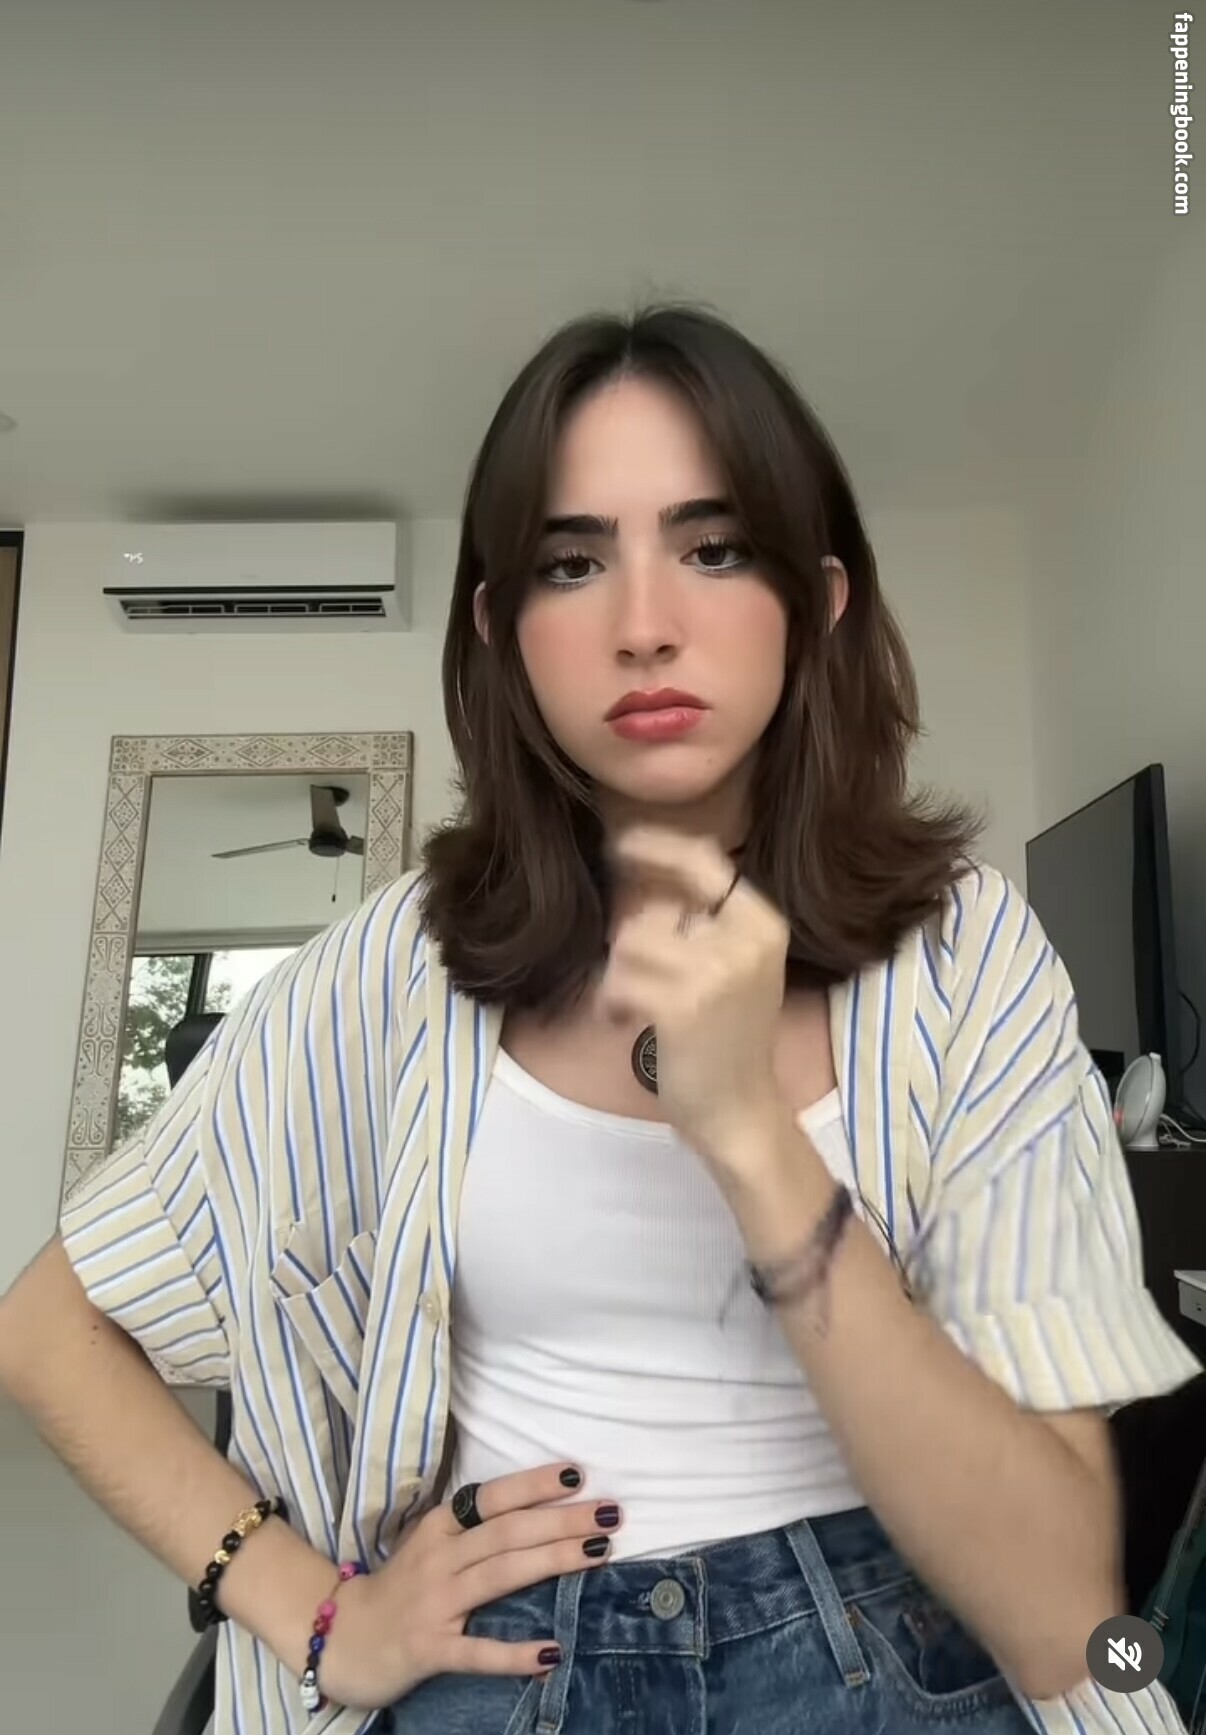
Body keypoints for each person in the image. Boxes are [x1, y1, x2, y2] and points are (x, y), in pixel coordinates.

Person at [1, 306, 1200, 1735]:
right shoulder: (387, 977)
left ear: (817, 601)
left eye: (714, 548)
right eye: (572, 564)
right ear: (501, 631)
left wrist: (753, 1142)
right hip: (504, 1671)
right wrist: (318, 1614)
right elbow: (50, 1331)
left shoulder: (968, 958)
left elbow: (1061, 1614)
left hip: (899, 1651)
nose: (643, 626)